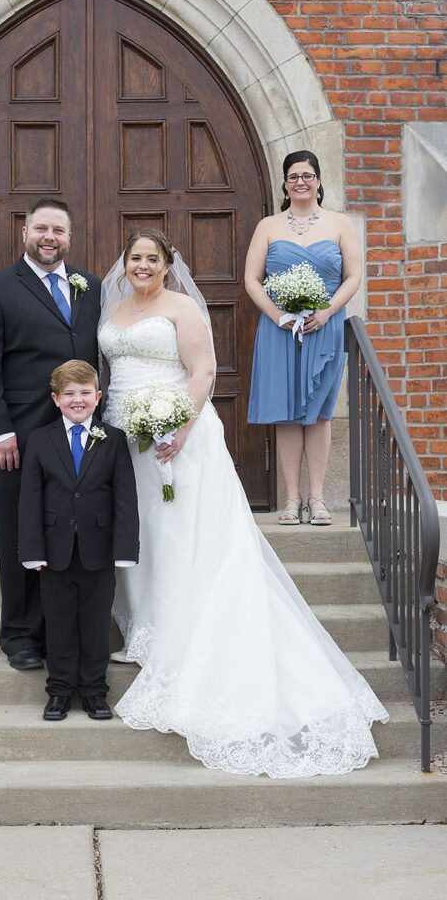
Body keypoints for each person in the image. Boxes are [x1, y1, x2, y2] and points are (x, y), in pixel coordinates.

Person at [98, 228, 388, 777]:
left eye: (151, 258)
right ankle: (143, 629)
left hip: (174, 436)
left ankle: (177, 633)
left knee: (181, 533)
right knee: (143, 535)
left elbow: (203, 371)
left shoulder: (181, 307)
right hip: (122, 435)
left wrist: (178, 428)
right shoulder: (112, 308)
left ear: (167, 264)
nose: (141, 266)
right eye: (134, 257)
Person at [0, 200, 101, 671]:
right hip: (18, 438)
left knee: (67, 533)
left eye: (58, 230)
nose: (49, 237)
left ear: (70, 237)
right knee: (21, 535)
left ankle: (57, 631)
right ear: (25, 232)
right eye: (41, 228)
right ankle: (19, 633)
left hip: (77, 439)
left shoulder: (92, 288)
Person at [245, 150, 362, 526]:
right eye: (293, 176)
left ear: (318, 181)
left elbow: (354, 276)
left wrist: (327, 311)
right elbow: (251, 279)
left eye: (307, 175)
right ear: (284, 183)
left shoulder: (339, 223)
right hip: (280, 331)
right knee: (286, 415)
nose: (300, 182)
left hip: (323, 327)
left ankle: (318, 499)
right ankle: (292, 500)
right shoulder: (268, 226)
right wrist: (277, 315)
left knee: (318, 414)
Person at [18, 360, 139, 721]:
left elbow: (125, 498)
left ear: (98, 397)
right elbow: (29, 500)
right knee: (58, 623)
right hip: (54, 552)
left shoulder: (113, 439)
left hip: (98, 550)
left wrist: (124, 549)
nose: (77, 400)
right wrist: (31, 550)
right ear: (55, 399)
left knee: (95, 622)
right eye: (69, 393)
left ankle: (94, 692)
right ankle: (58, 691)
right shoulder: (39, 440)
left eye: (85, 393)